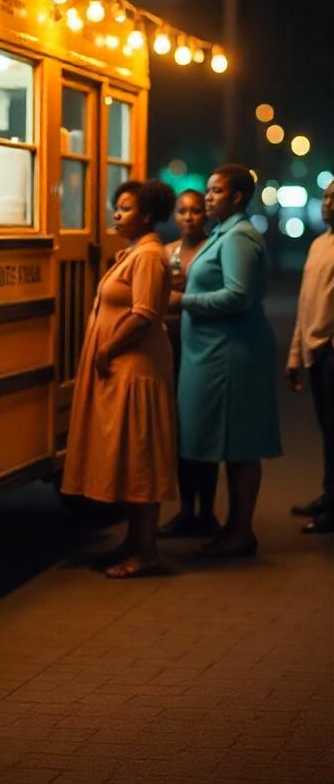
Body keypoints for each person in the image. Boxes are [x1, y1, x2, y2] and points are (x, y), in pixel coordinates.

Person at [62, 178, 177, 578]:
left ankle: (146, 552)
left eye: (125, 208)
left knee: (140, 458)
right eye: (118, 206)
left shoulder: (148, 256)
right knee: (129, 457)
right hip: (124, 371)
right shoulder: (134, 253)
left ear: (146, 215)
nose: (116, 214)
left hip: (136, 370)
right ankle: (134, 542)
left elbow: (144, 314)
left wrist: (107, 348)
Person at [170, 164, 281, 558]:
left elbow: (238, 296)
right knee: (226, 442)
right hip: (214, 352)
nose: (208, 196)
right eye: (208, 189)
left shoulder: (240, 238)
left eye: (216, 191)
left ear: (236, 197)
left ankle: (241, 530)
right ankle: (232, 527)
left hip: (232, 356)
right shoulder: (222, 234)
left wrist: (183, 301)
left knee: (241, 445)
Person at [158, 189, 220, 539]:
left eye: (196, 210)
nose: (189, 217)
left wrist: (185, 297)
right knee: (179, 433)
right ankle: (186, 510)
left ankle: (208, 511)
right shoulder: (166, 253)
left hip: (202, 343)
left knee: (202, 431)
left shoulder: (212, 250)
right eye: (182, 211)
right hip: (171, 342)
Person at [285, 177, 334, 534]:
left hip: (329, 350)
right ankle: (328, 495)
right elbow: (305, 303)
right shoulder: (319, 244)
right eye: (327, 196)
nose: (327, 202)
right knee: (326, 428)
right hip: (316, 352)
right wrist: (295, 355)